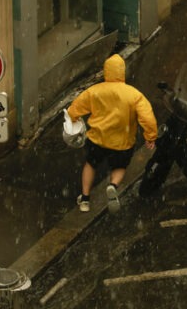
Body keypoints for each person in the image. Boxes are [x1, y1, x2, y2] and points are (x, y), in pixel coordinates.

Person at [67, 54, 158, 213]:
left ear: (106, 71)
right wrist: (150, 137)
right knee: (120, 166)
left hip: (97, 139)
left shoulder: (94, 91)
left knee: (90, 164)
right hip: (122, 143)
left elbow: (74, 109)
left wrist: (73, 119)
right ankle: (112, 185)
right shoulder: (134, 95)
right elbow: (148, 118)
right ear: (122, 72)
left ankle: (85, 200)